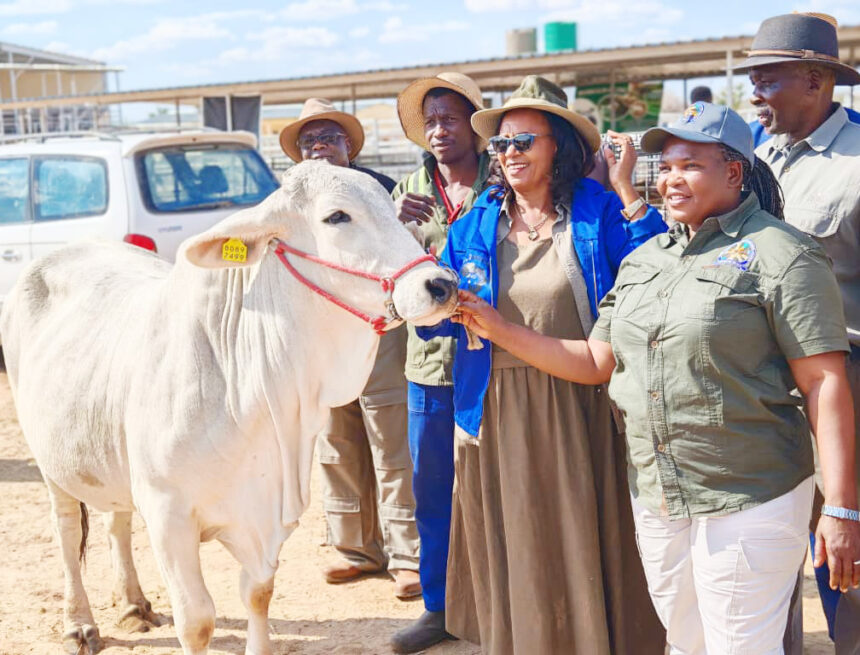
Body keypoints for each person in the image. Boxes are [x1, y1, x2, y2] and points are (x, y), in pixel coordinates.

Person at [454, 101, 860, 654]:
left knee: (741, 645)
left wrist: (839, 506)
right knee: (685, 642)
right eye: (664, 166)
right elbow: (597, 361)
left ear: (734, 171)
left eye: (689, 165)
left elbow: (824, 384)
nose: (670, 179)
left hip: (747, 492)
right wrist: (497, 328)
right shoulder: (647, 260)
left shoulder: (783, 254)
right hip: (659, 495)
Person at [419, 75, 667, 654]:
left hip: (581, 402)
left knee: (589, 539)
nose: (508, 156)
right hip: (494, 409)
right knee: (522, 544)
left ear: (557, 145)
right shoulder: (476, 222)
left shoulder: (599, 210)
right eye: (500, 146)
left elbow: (653, 270)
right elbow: (430, 312)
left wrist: (630, 190)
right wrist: (422, 295)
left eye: (522, 142)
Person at [736, 12, 860, 652]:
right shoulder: (756, 158)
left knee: (846, 548)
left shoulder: (857, 164)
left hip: (843, 381)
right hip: (764, 385)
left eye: (767, 79)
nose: (753, 92)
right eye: (752, 78)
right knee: (771, 544)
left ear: (816, 81)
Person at [279, 98, 421, 599]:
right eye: (308, 141)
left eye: (329, 137)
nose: (319, 147)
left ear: (348, 146)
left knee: (391, 438)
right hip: (322, 338)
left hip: (380, 329)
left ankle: (408, 556)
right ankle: (354, 550)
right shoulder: (290, 201)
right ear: (298, 155)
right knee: (335, 440)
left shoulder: (380, 192)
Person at [388, 72, 492, 654]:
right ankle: (439, 608)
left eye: (450, 118)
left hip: (495, 362)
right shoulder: (405, 192)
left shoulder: (505, 182)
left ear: (476, 126)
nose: (438, 130)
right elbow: (382, 286)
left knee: (497, 486)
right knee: (433, 489)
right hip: (428, 368)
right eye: (430, 121)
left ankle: (503, 599)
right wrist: (396, 227)